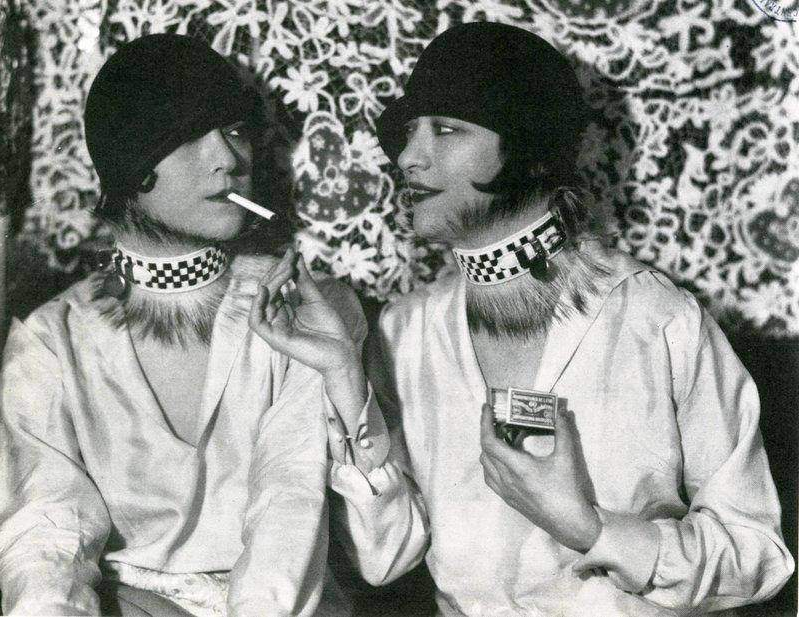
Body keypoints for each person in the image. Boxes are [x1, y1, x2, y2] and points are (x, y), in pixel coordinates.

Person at [252, 21, 795, 616]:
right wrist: (343, 376)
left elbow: (757, 555)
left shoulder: (659, 320)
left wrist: (593, 531)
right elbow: (383, 558)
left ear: (531, 153)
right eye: (408, 133)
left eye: (446, 129)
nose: (408, 157)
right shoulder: (405, 333)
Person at [0, 33, 373, 617]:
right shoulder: (51, 341)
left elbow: (289, 508)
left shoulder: (305, 313)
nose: (229, 159)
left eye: (235, 130)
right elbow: (46, 539)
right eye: (191, 133)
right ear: (130, 162)